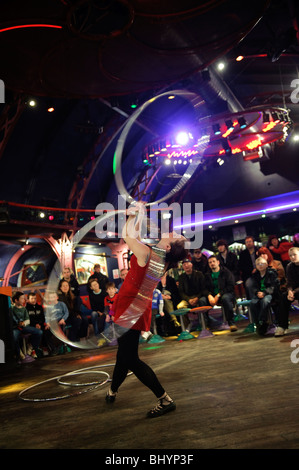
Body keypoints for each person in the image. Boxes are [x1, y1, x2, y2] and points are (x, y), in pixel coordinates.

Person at [105, 204, 188, 419]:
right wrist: (138, 215)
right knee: (123, 354)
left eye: (174, 236)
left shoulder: (149, 255)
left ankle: (165, 399)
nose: (172, 232)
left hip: (131, 308)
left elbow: (128, 237)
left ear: (169, 247)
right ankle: (112, 390)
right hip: (133, 306)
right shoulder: (160, 258)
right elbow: (137, 236)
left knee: (129, 357)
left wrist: (132, 215)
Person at [204, 255, 237, 332]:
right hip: (212, 296)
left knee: (225, 298)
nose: (212, 263)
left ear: (218, 262)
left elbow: (230, 286)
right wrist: (209, 295)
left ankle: (231, 323)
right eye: (210, 262)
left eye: (213, 261)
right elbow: (204, 288)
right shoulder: (207, 275)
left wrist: (219, 295)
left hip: (226, 294)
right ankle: (206, 325)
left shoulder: (226, 272)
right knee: (202, 300)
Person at [249, 257, 280, 336]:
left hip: (270, 294)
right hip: (259, 294)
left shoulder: (272, 273)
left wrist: (264, 293)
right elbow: (253, 286)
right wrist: (257, 292)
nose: (260, 266)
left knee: (265, 301)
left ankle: (262, 321)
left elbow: (273, 286)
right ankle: (258, 323)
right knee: (252, 303)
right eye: (258, 264)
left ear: (266, 265)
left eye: (262, 264)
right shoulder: (255, 275)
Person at [177, 258, 211, 331]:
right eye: (184, 265)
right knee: (180, 306)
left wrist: (197, 298)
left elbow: (203, 289)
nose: (186, 266)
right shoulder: (181, 277)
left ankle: (204, 324)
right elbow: (181, 292)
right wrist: (188, 300)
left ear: (191, 265)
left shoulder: (199, 274)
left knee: (202, 302)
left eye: (187, 264)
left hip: (199, 296)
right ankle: (187, 326)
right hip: (188, 298)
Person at [10, 291, 43, 361]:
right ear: (16, 300)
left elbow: (28, 320)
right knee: (14, 337)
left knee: (39, 332)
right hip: (15, 328)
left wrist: (23, 323)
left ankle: (31, 347)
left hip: (24, 327)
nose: (23, 300)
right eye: (22, 298)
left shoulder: (24, 309)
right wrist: (18, 323)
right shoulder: (11, 308)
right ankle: (19, 352)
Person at [275, 247, 299, 336]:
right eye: (290, 256)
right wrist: (289, 291)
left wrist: (294, 292)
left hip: (297, 291)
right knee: (283, 297)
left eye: (294, 255)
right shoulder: (289, 266)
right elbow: (289, 282)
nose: (292, 257)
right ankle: (282, 326)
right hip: (295, 291)